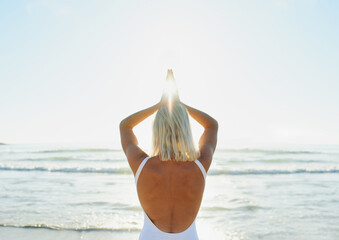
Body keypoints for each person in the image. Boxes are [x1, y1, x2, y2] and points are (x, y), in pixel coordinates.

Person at [119, 69, 218, 239]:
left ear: (157, 129)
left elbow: (125, 126)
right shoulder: (201, 165)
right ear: (186, 129)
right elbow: (211, 126)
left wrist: (159, 105)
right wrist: (180, 104)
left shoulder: (140, 163)